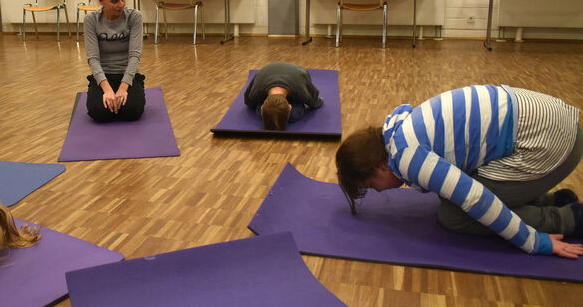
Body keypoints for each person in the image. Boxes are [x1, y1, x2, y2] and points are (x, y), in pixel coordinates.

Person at [335, 84, 583, 258]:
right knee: (450, 194)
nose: (377, 190)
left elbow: (477, 199)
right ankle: (550, 200)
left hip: (552, 144)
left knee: (455, 215)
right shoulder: (398, 130)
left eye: (371, 185)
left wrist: (534, 242)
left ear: (380, 165)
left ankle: (568, 218)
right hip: (554, 121)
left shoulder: (408, 158)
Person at [83, 0, 145, 122]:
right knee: (98, 113)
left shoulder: (134, 17)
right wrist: (107, 90)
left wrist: (123, 88)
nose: (121, 4)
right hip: (104, 75)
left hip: (128, 74)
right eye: (115, 1)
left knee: (132, 111)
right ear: (101, 1)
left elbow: (135, 56)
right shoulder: (91, 20)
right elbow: (93, 58)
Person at [243, 61, 324, 130]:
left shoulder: (302, 90)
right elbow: (248, 101)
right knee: (275, 114)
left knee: (293, 114)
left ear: (262, 107)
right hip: (265, 72)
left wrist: (318, 101)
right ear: (289, 107)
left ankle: (269, 113)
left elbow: (314, 100)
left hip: (297, 72)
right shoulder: (257, 90)